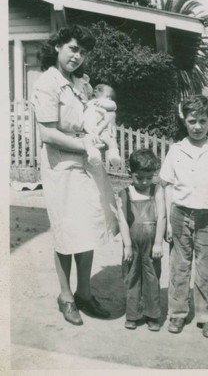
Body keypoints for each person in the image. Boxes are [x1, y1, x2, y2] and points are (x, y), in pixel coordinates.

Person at [30, 25, 119, 326]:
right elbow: (48, 133)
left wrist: (101, 137)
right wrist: (84, 144)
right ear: (57, 47)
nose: (77, 55)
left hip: (86, 162)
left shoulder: (81, 83)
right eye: (72, 48)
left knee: (89, 227)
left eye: (82, 51)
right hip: (61, 165)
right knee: (66, 231)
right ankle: (66, 296)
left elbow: (92, 118)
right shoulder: (47, 83)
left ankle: (84, 292)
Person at [159, 95, 208, 338]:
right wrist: (169, 222)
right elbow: (168, 185)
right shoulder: (176, 150)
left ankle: (206, 316)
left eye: (203, 120)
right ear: (185, 121)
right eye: (192, 121)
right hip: (180, 214)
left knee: (205, 269)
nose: (198, 126)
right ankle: (178, 313)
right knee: (179, 267)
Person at [117, 149, 166, 331]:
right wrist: (127, 245)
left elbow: (161, 217)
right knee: (131, 278)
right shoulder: (125, 193)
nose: (144, 182)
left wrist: (158, 243)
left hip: (152, 246)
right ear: (131, 172)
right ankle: (133, 314)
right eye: (139, 178)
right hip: (133, 246)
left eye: (149, 177)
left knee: (152, 279)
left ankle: (152, 314)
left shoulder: (157, 190)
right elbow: (122, 220)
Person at [83, 83, 121, 170]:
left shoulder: (106, 102)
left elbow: (114, 106)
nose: (95, 90)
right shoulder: (90, 102)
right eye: (95, 89)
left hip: (103, 130)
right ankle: (93, 155)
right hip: (90, 131)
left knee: (111, 139)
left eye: (100, 90)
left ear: (108, 97)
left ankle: (114, 155)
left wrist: (103, 104)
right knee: (87, 140)